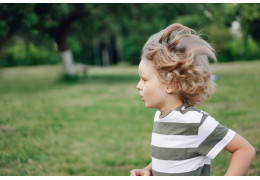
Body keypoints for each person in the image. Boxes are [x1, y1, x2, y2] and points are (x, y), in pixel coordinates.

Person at [130, 23, 255, 176]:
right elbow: (171, 156)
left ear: (171, 84)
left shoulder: (195, 122)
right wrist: (148, 170)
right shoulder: (160, 116)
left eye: (144, 79)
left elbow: (244, 150)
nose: (138, 86)